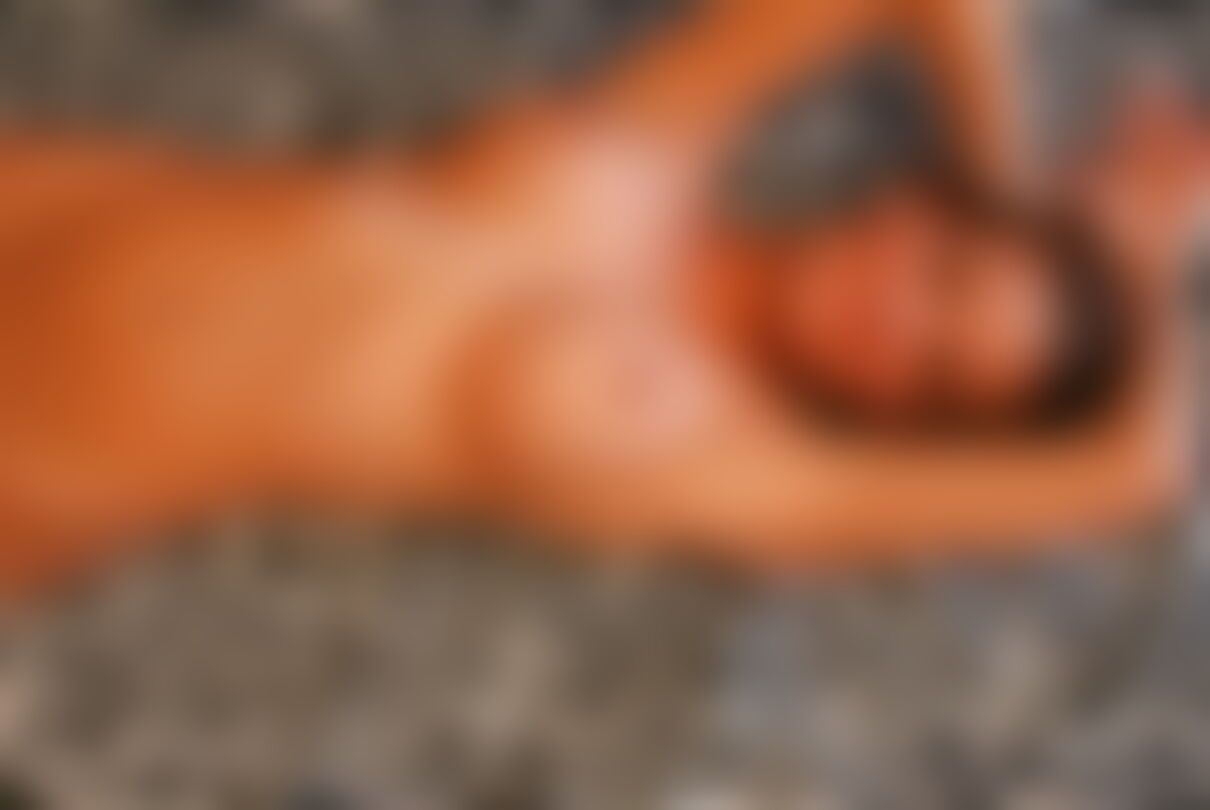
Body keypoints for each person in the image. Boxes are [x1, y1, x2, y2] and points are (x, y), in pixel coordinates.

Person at [0, 0, 1200, 593]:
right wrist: (1018, 188)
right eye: (941, 277)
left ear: (900, 423)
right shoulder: (649, 152)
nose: (899, 322)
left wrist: (1134, 258)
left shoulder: (706, 448)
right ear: (913, 211)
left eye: (933, 374)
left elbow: (1135, 471)